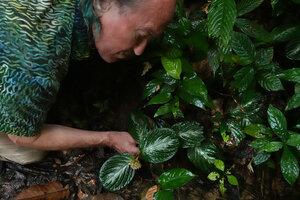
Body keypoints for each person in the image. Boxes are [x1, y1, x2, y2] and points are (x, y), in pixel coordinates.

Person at [0, 0, 176, 165]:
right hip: (21, 54)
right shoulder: (36, 59)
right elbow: (24, 137)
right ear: (106, 3)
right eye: (141, 35)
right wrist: (108, 138)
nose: (139, 50)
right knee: (28, 152)